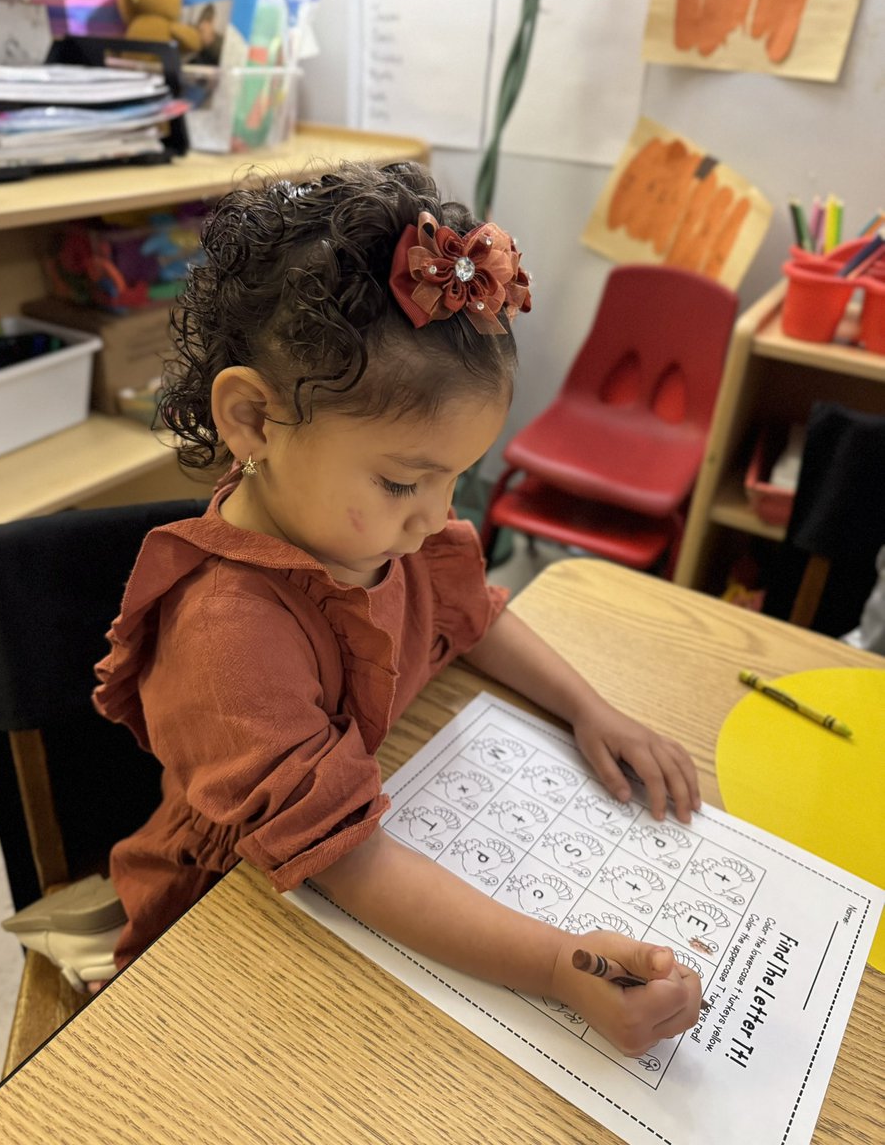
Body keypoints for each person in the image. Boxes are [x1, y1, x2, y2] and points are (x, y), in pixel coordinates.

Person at [92, 160, 703, 1056]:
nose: (435, 517)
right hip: (229, 924)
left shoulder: (375, 528)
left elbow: (474, 615)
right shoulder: (229, 633)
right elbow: (347, 857)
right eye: (404, 481)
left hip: (375, 820)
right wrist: (559, 966)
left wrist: (589, 709)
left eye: (454, 477)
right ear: (254, 422)